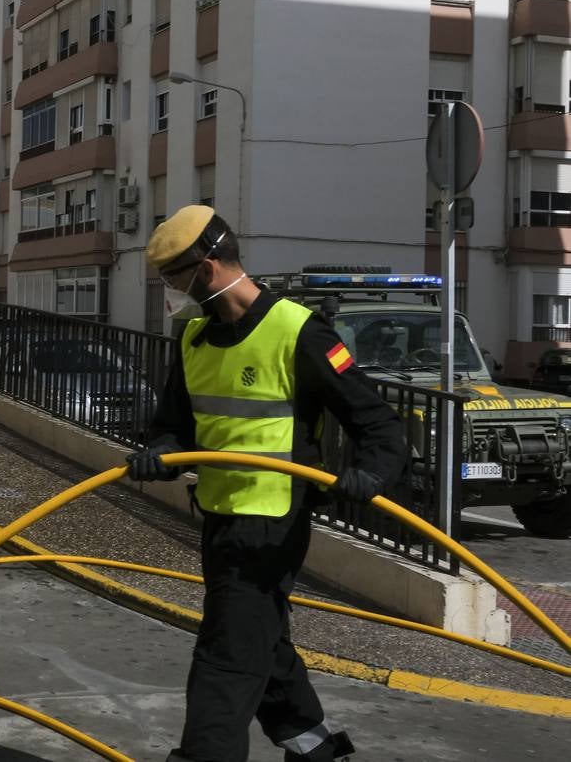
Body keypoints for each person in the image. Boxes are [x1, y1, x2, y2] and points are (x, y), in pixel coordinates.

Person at [130, 205, 406, 762]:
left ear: (205, 271)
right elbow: (173, 427)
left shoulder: (298, 331)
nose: (170, 293)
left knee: (227, 653)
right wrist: (158, 454)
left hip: (273, 527)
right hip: (219, 517)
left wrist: (370, 474)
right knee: (261, 640)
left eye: (172, 280)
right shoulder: (194, 339)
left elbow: (378, 423)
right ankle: (314, 747)